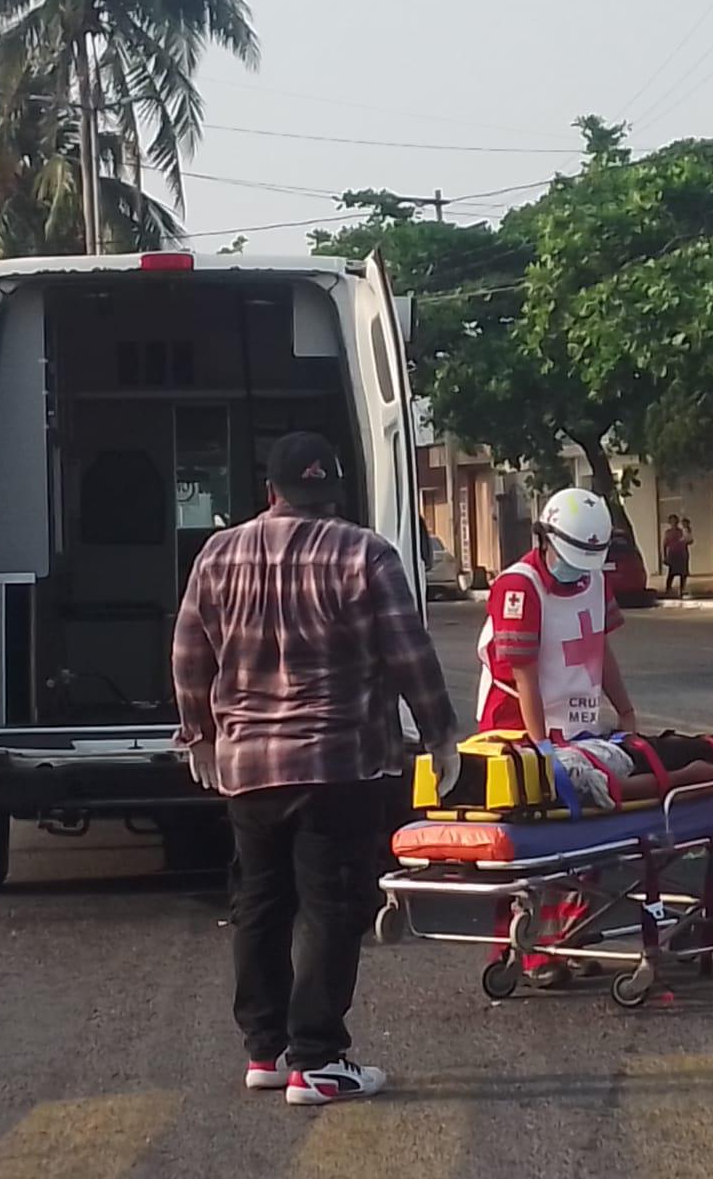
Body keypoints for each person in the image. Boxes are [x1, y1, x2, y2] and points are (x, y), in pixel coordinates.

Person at [173, 431, 461, 1106]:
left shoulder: (217, 554)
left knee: (260, 904)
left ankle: (265, 1050)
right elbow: (407, 652)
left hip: (249, 766)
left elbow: (189, 651)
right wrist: (440, 734)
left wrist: (200, 735)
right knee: (333, 908)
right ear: (330, 490)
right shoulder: (364, 553)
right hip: (338, 765)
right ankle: (318, 1060)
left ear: (270, 492)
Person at [477, 486, 638, 984]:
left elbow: (598, 648)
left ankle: (566, 939)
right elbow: (523, 672)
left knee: (584, 842)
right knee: (534, 845)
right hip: (514, 727)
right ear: (544, 538)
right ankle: (524, 950)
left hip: (578, 729)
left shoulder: (592, 578)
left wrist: (625, 711)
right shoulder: (519, 587)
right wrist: (541, 747)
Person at [662, 515, 692, 599]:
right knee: (671, 573)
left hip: (682, 554)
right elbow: (665, 545)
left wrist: (688, 531)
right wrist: (665, 557)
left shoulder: (682, 531)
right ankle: (668, 589)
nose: (673, 523)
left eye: (675, 521)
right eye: (672, 522)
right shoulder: (668, 532)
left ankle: (682, 589)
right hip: (673, 554)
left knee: (683, 573)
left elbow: (689, 540)